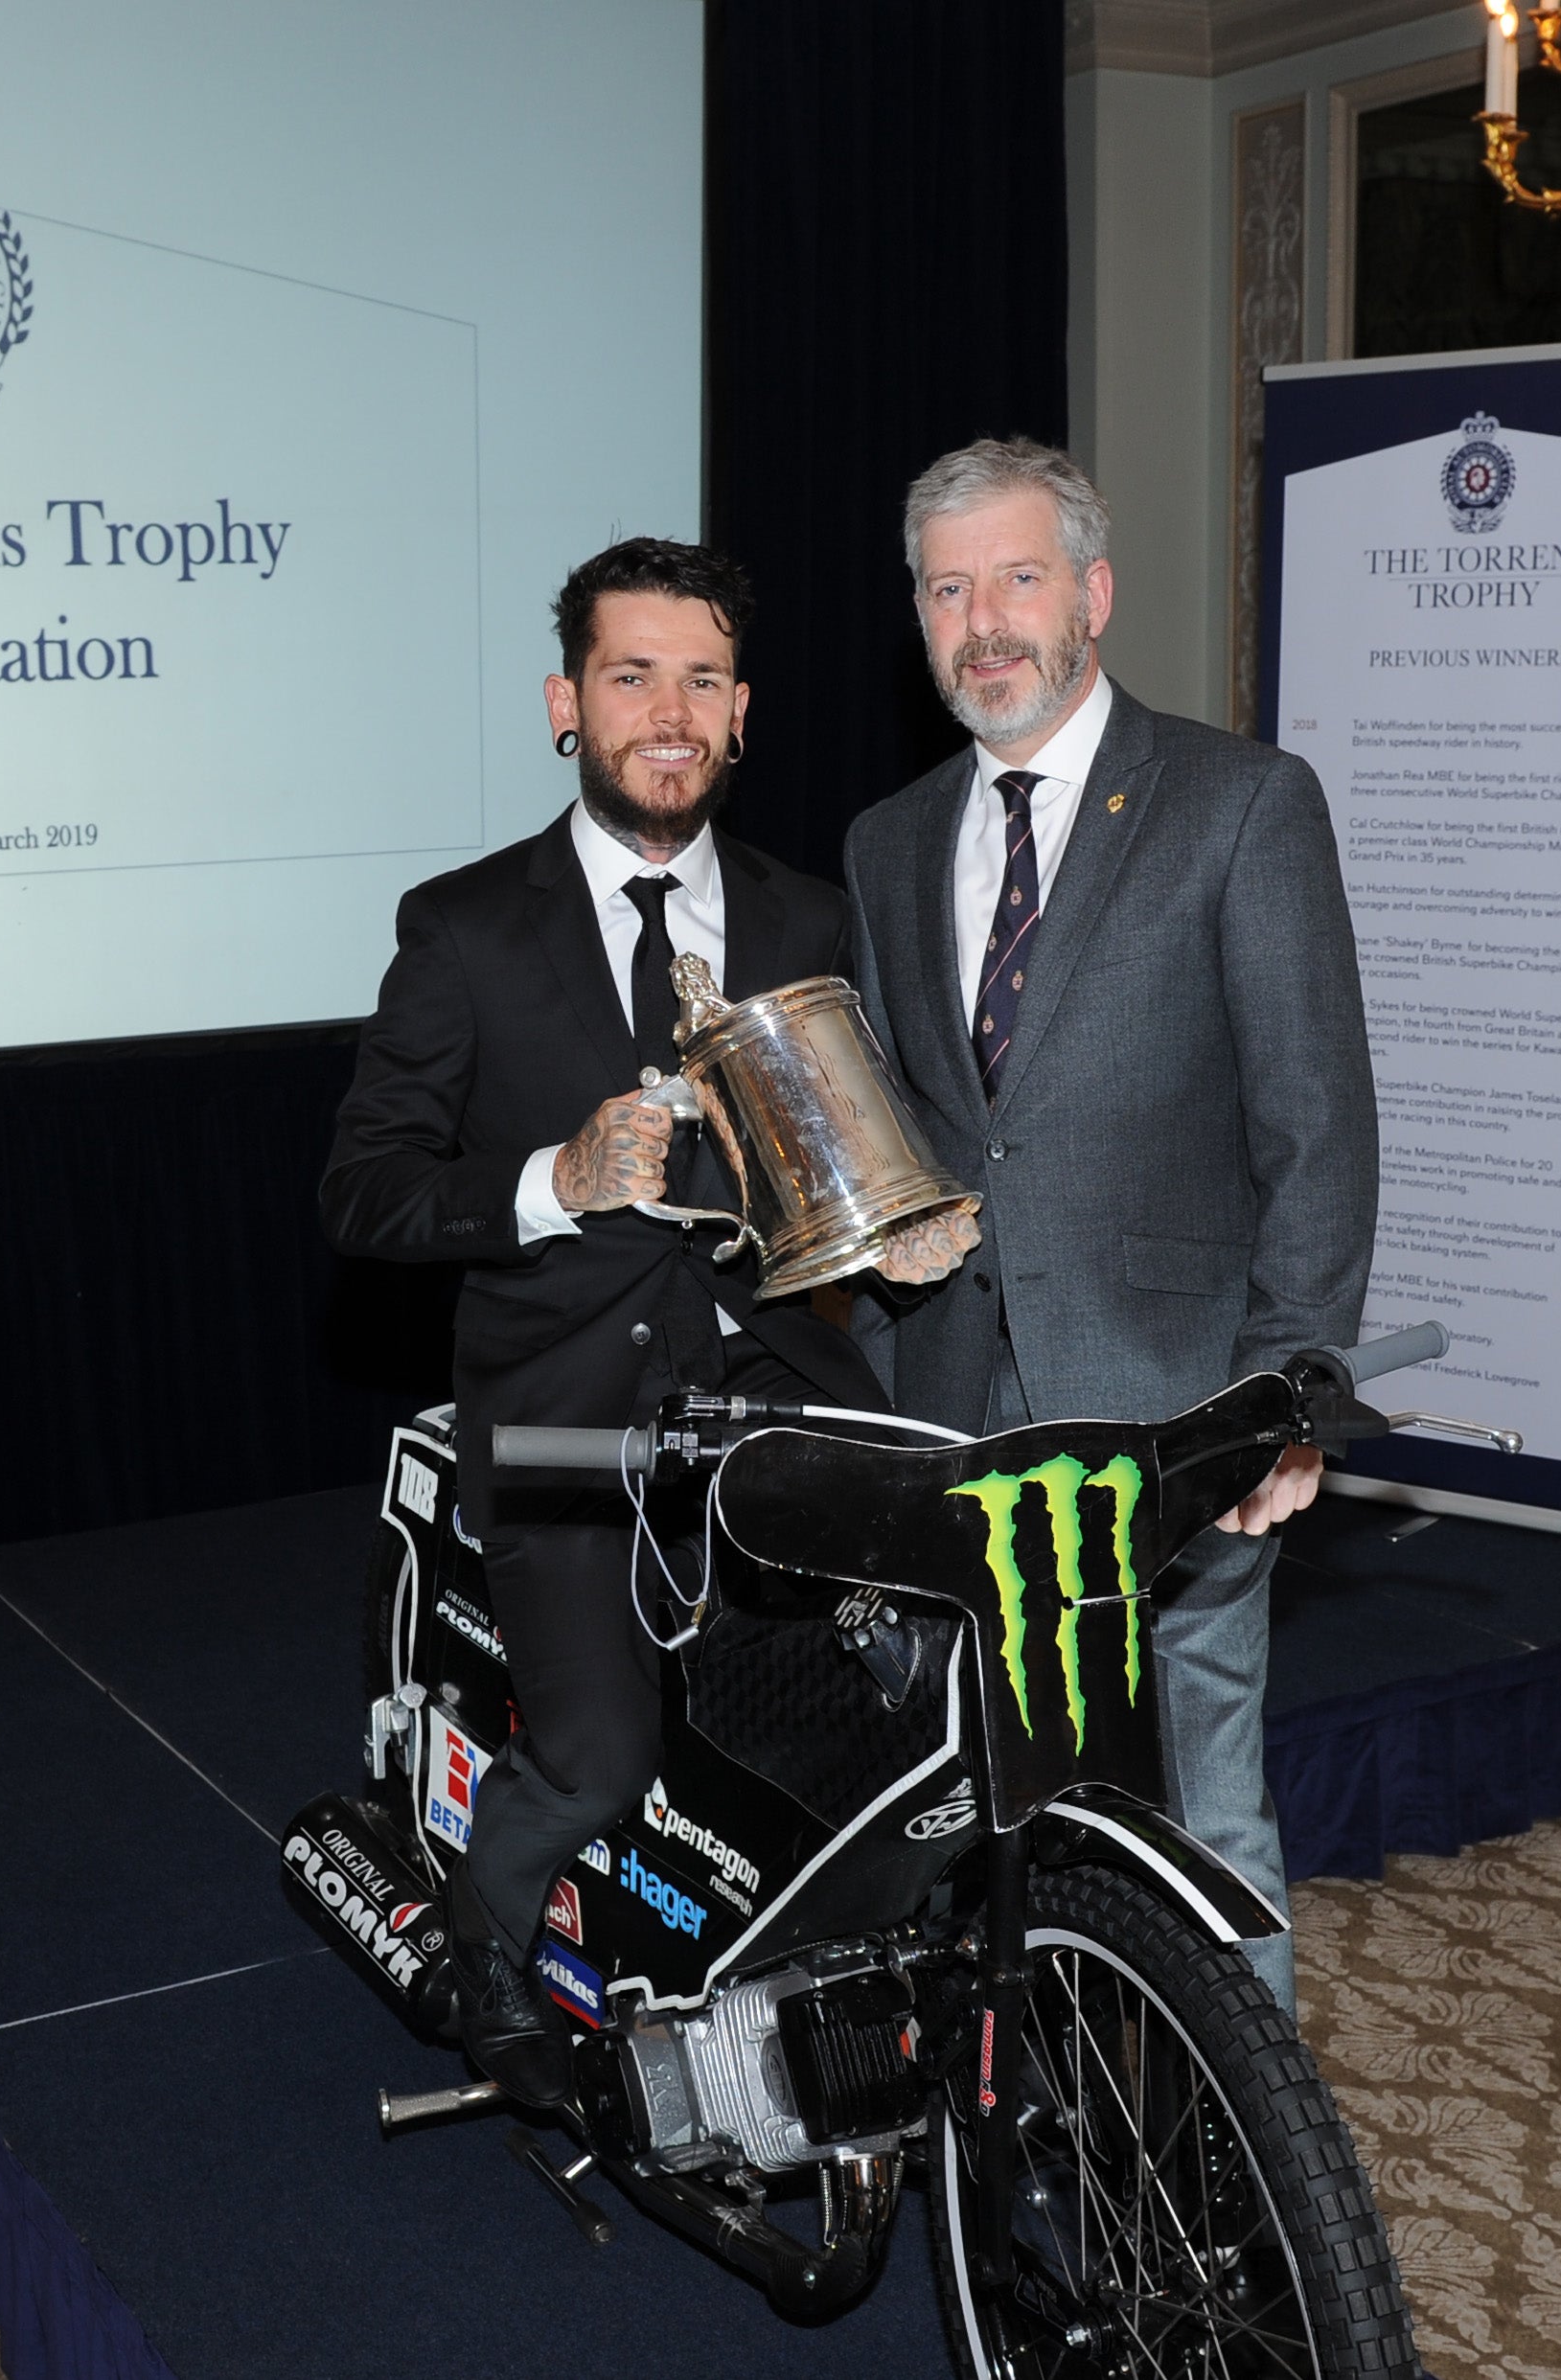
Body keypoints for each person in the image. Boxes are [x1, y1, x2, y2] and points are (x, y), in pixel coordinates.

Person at [321, 538, 973, 2104]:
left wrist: (895, 1238)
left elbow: (824, 1168)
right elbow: (365, 1193)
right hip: (555, 1417)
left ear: (740, 712)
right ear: (569, 704)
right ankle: (486, 1927)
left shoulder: (806, 916)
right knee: (602, 1759)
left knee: (917, 1706)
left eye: (701, 680)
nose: (667, 712)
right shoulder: (467, 928)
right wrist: (553, 1174)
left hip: (769, 1391)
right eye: (632, 677)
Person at [842, 438, 1378, 2016]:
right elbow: (908, 1128)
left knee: (1201, 1813)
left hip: (1176, 1412)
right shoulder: (888, 840)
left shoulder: (1240, 803)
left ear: (1094, 592)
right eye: (948, 589)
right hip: (951, 1410)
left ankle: (1237, 2182)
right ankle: (1031, 2129)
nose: (982, 622)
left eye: (1016, 578)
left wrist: (1287, 1402)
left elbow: (1317, 1128)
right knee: (978, 1809)